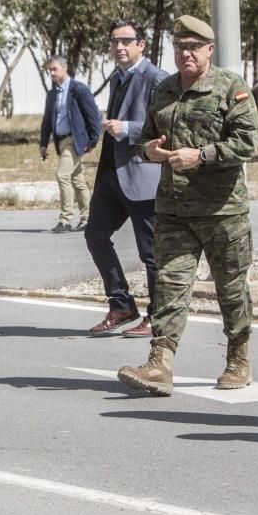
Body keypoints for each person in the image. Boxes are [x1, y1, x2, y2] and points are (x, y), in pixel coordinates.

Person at [117, 15, 258, 397]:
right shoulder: (164, 89)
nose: (186, 54)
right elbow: (147, 138)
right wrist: (149, 149)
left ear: (209, 50)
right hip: (174, 210)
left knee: (230, 289)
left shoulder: (231, 87)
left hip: (222, 212)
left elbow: (247, 143)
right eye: (180, 48)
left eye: (194, 47)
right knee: (170, 285)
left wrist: (202, 155)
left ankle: (238, 358)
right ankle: (160, 364)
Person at [85, 20, 169, 338]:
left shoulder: (156, 78)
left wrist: (129, 129)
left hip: (142, 174)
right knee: (95, 235)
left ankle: (158, 315)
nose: (119, 47)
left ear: (141, 44)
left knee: (150, 253)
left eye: (126, 41)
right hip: (111, 175)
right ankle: (121, 304)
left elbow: (164, 127)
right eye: (114, 42)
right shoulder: (118, 77)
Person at [39, 55, 101, 232]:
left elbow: (93, 116)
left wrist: (93, 140)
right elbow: (46, 120)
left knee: (62, 175)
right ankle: (88, 219)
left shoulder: (78, 89)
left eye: (54, 69)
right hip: (61, 141)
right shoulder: (52, 94)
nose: (51, 73)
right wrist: (43, 143)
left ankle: (65, 219)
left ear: (65, 68)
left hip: (75, 141)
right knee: (77, 179)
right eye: (49, 70)